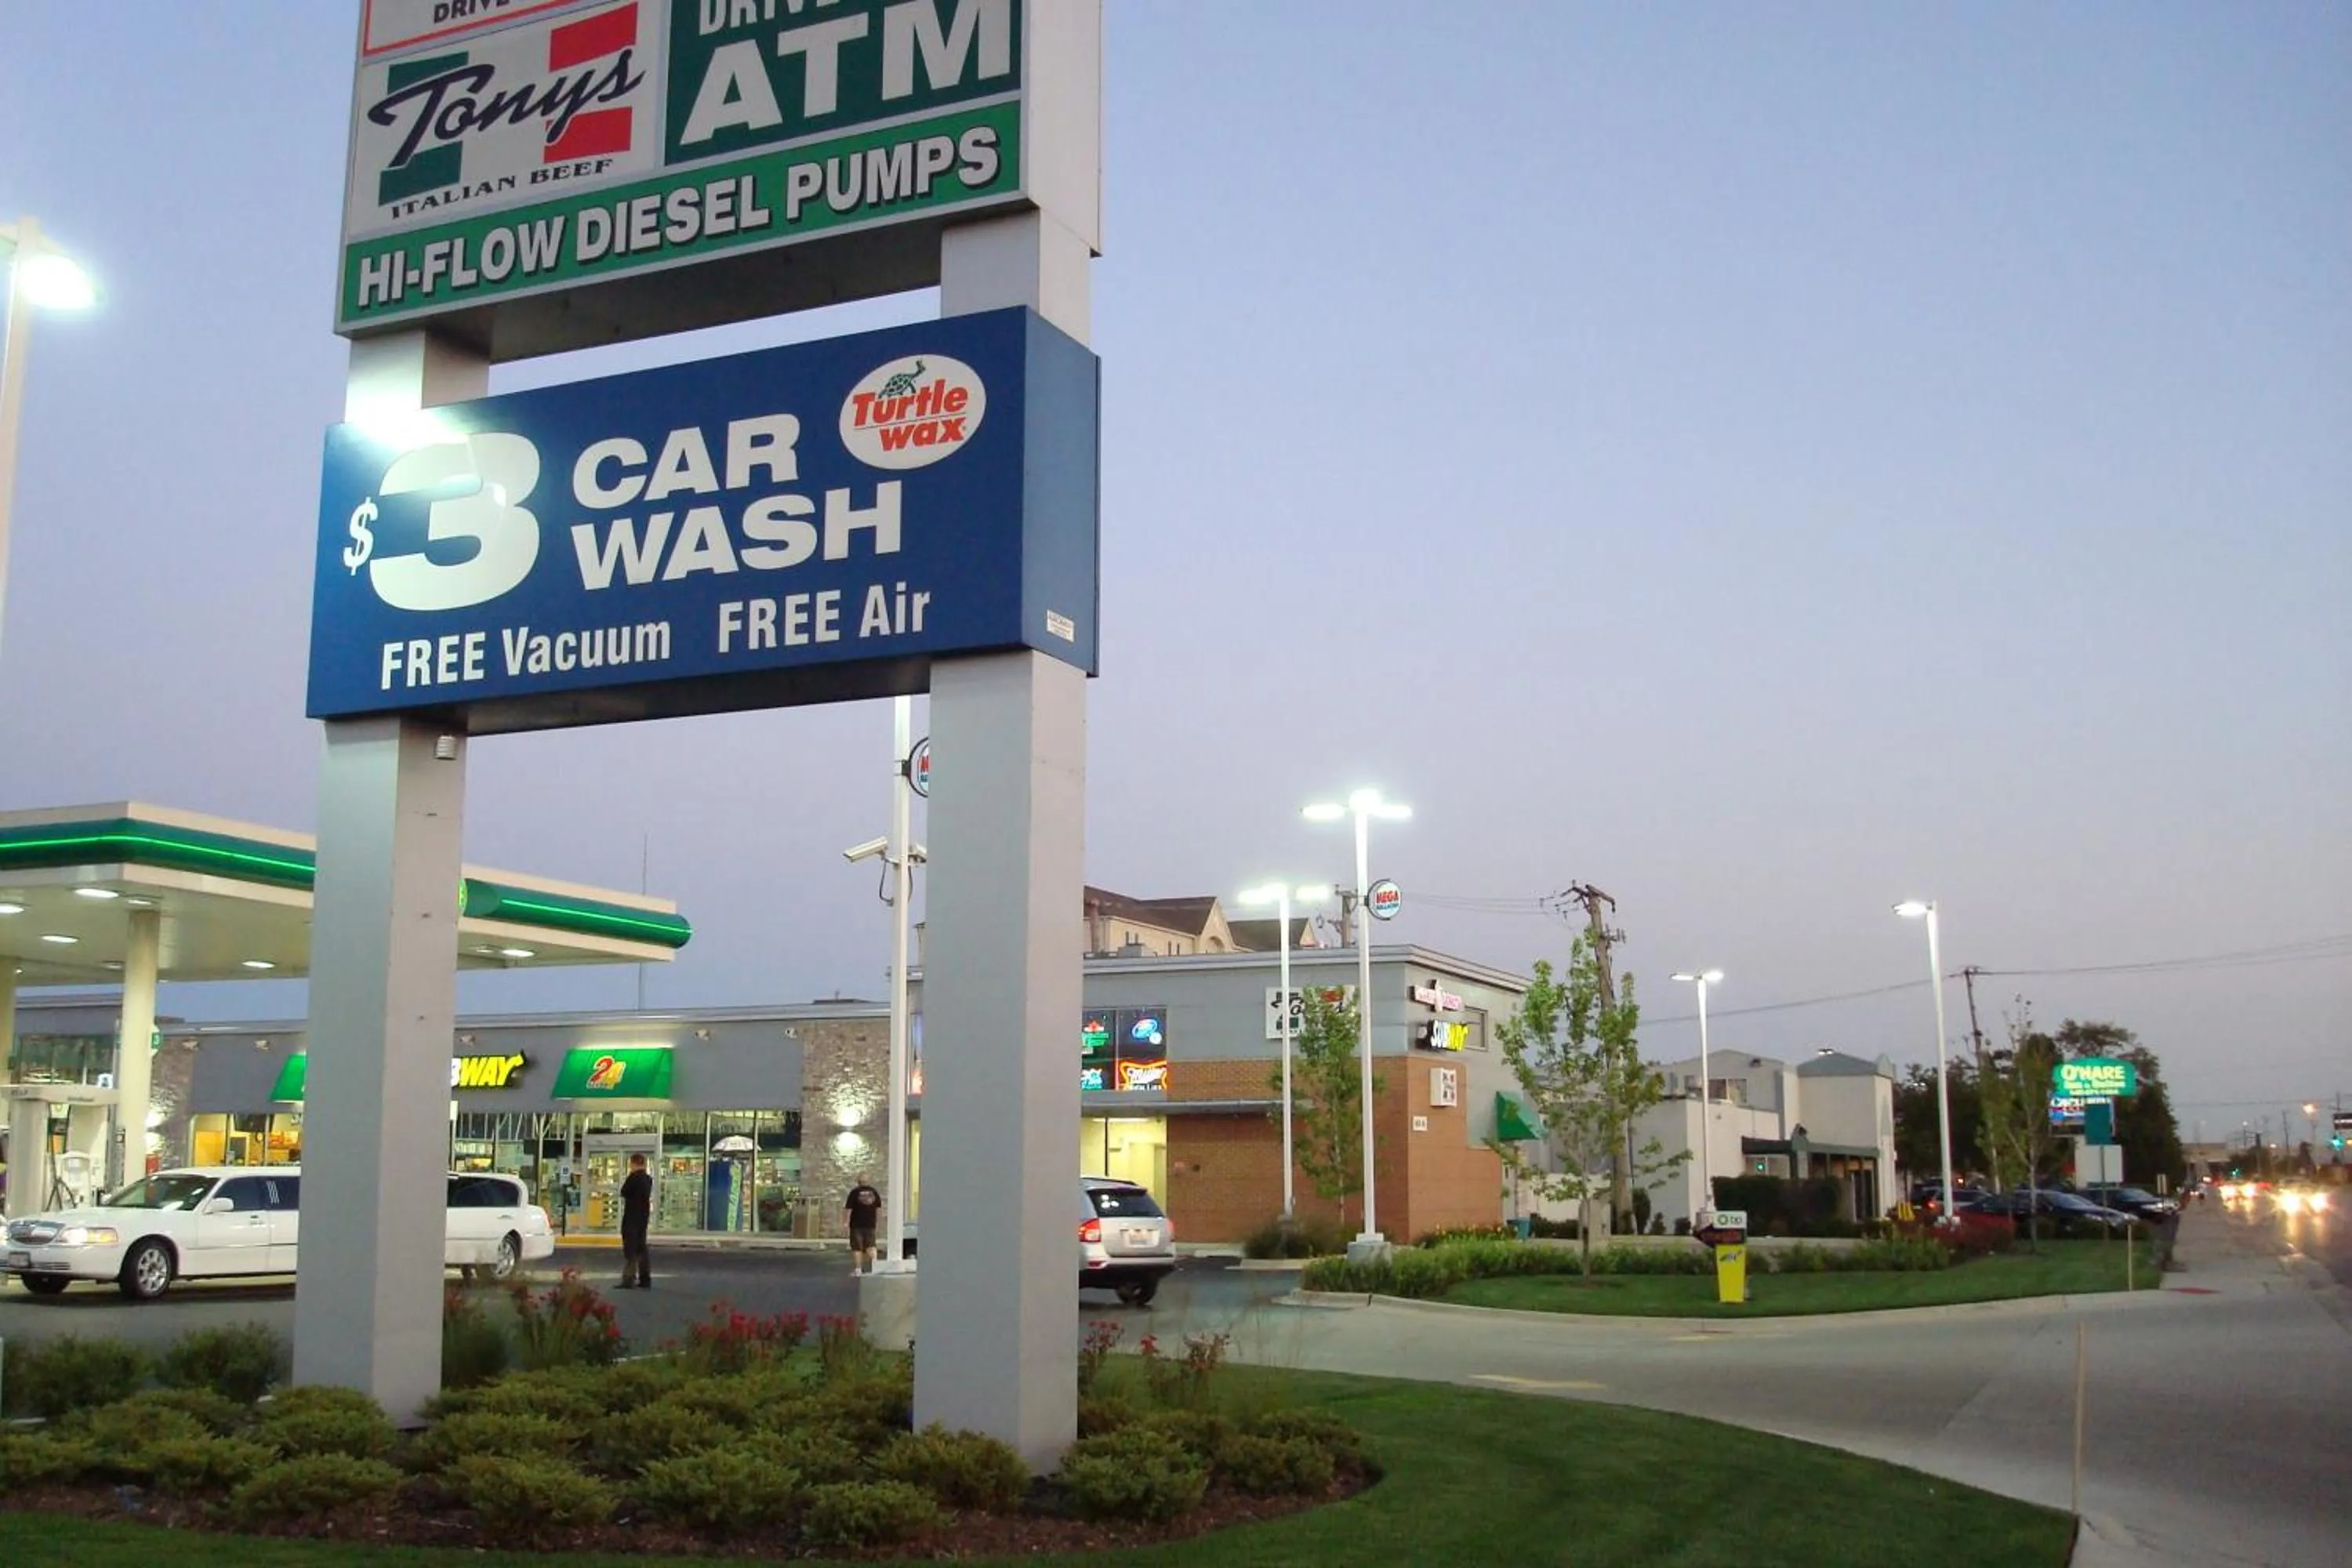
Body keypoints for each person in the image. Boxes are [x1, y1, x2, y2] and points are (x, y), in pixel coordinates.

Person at [618, 1153, 653, 1289]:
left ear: (634, 1163)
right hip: (643, 1217)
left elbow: (624, 1192)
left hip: (631, 1216)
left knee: (630, 1249)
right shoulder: (648, 1179)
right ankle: (645, 1278)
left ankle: (628, 1279)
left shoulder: (633, 1178)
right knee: (641, 1247)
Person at [845, 1174, 882, 1274]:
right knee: (871, 1245)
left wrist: (846, 1222)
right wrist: (877, 1221)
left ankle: (858, 1270)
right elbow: (878, 1208)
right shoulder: (874, 1192)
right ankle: (875, 1266)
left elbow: (849, 1208)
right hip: (870, 1223)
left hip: (856, 1224)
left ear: (858, 1182)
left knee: (857, 1248)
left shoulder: (854, 1193)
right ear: (868, 1181)